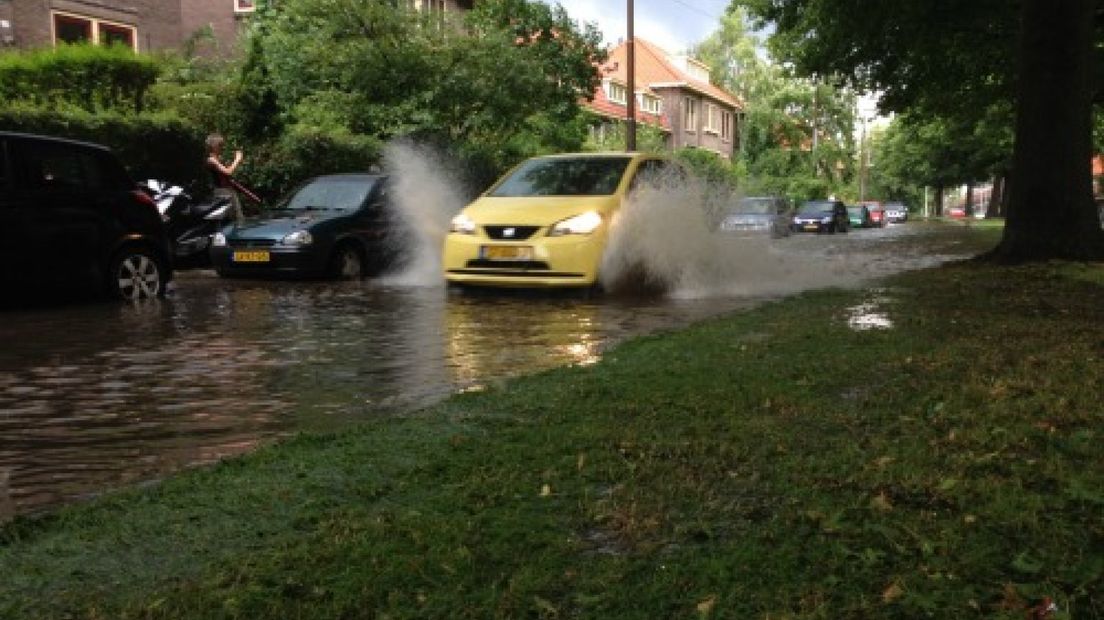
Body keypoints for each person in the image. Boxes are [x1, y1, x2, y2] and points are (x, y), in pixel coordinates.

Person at [205, 133, 245, 222]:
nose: (222, 148)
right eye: (220, 145)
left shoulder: (218, 158)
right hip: (221, 192)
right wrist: (237, 160)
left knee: (238, 216)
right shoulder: (211, 160)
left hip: (228, 190)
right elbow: (228, 172)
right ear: (214, 146)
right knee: (232, 219)